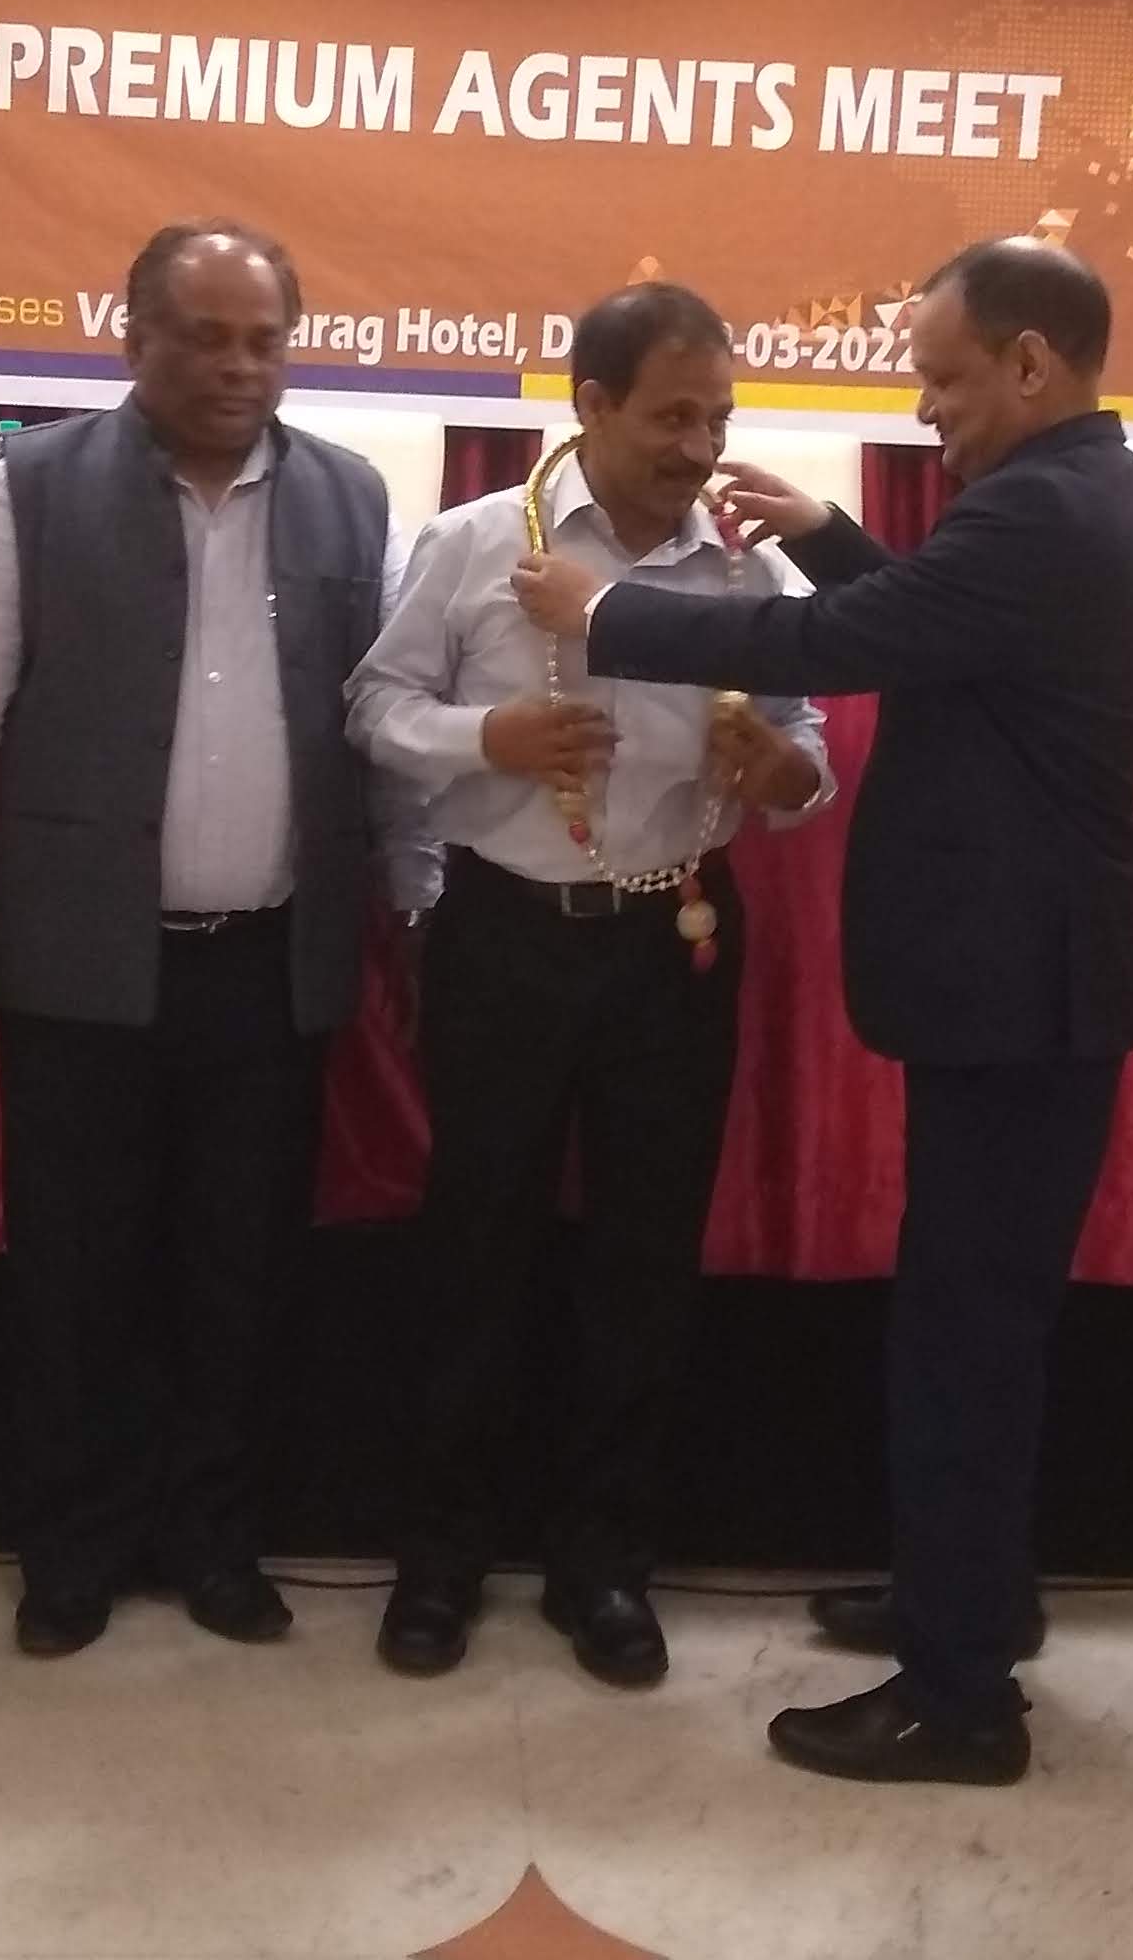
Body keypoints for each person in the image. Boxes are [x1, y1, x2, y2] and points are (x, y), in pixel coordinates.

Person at [513, 237, 1133, 1784]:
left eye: (944, 378)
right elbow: (942, 624)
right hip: (1022, 991)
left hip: (1020, 996)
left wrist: (608, 616)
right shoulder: (1069, 492)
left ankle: (960, 1697)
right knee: (974, 1328)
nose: (926, 408)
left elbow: (829, 650)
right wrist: (829, 533)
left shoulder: (1047, 508)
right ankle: (972, 1597)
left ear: (1031, 363)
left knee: (964, 1341)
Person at [0, 222, 389, 1657]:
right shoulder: (30, 485)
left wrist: (411, 894)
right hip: (80, 960)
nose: (239, 367)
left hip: (271, 966)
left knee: (241, 1277)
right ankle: (71, 1549)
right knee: (76, 1274)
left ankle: (216, 1541)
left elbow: (382, 722)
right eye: (205, 337)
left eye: (264, 340)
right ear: (134, 338)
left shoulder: (353, 497)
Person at [347, 284, 831, 1688]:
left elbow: (803, 736)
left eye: (719, 419)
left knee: (644, 1262)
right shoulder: (475, 543)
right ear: (593, 405)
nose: (700, 449)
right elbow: (372, 708)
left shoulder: (743, 573)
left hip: (675, 936)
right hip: (504, 931)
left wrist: (788, 775)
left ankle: (604, 1565)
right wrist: (484, 736)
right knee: (475, 1249)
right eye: (673, 417)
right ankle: (442, 1559)